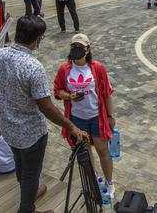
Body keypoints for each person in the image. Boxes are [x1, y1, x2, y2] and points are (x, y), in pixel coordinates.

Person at [0, 15, 89, 213]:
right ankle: (27, 208)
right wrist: (71, 126)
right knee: (31, 173)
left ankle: (30, 192)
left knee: (20, 165)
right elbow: (46, 107)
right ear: (38, 39)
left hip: (8, 128)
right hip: (31, 134)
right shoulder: (33, 67)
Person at [53, 34, 116, 198]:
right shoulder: (64, 69)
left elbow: (107, 93)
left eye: (80, 47)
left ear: (87, 50)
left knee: (103, 150)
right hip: (77, 118)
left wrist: (110, 116)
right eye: (74, 46)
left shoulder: (97, 68)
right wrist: (70, 96)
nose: (77, 50)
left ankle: (110, 183)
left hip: (96, 117)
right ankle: (94, 179)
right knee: (86, 153)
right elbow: (58, 91)